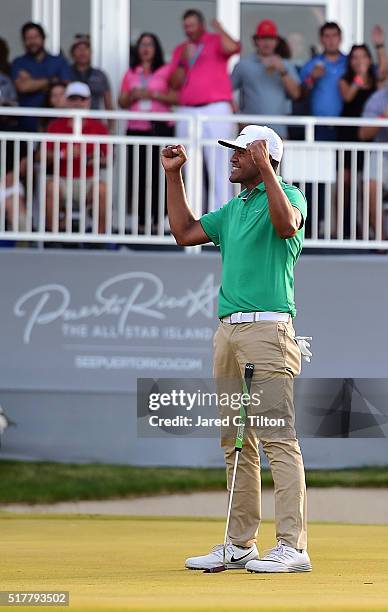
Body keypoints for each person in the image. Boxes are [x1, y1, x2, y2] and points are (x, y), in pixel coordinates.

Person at [161, 124, 311, 574]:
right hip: (228, 332)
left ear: (264, 154)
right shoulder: (235, 208)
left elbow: (287, 226)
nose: (232, 158)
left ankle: (292, 546)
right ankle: (240, 542)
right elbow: (185, 232)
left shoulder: (289, 195)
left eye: (240, 152)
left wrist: (266, 167)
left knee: (278, 440)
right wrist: (174, 176)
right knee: (235, 441)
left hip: (268, 330)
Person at [169, 9, 240, 210]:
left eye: (192, 25)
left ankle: (222, 215)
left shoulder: (215, 40)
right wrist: (184, 60)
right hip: (187, 111)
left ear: (201, 25)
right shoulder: (181, 49)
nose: (188, 30)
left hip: (216, 109)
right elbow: (174, 84)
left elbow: (233, 47)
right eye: (186, 26)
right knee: (186, 164)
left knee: (219, 163)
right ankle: (192, 215)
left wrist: (219, 28)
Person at [118, 32, 177, 232]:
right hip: (137, 129)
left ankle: (161, 219)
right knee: (138, 175)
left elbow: (177, 97)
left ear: (156, 48)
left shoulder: (166, 70)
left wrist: (153, 94)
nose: (145, 48)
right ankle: (141, 220)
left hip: (160, 127)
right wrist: (133, 96)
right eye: (142, 44)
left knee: (161, 174)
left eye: (150, 44)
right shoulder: (131, 72)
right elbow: (121, 102)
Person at [337, 33, 386, 237]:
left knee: (366, 184)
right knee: (351, 184)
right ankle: (351, 228)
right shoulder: (346, 79)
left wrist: (379, 46)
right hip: (353, 135)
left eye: (363, 57)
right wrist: (360, 78)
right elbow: (348, 96)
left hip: (373, 140)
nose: (359, 61)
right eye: (355, 57)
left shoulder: (377, 81)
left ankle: (368, 227)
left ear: (369, 59)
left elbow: (383, 70)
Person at [45, 82, 108, 233]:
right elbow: (43, 155)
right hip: (62, 179)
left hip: (88, 181)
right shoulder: (55, 126)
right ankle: (52, 236)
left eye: (82, 99)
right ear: (66, 101)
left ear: (89, 102)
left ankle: (99, 238)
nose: (77, 103)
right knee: (51, 187)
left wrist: (94, 159)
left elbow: (108, 159)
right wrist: (63, 155)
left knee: (102, 189)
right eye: (73, 99)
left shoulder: (100, 127)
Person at [231, 20, 300, 139]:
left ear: (277, 41)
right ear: (256, 41)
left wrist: (283, 71)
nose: (267, 43)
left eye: (271, 38)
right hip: (250, 133)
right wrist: (238, 117)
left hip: (278, 132)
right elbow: (225, 93)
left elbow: (296, 94)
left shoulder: (286, 65)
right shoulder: (243, 65)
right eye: (263, 38)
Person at [300, 22, 347, 140]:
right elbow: (300, 94)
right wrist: (312, 78)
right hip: (319, 125)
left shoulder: (350, 62)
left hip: (347, 123)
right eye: (327, 36)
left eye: (334, 35)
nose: (331, 40)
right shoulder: (311, 65)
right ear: (321, 39)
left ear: (340, 38)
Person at [359, 84, 388, 239]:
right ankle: (380, 239)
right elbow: (363, 133)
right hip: (382, 153)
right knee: (370, 184)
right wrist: (383, 117)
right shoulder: (378, 98)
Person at [68, 34, 114, 129]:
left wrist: (110, 128)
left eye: (85, 49)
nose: (82, 52)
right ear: (72, 53)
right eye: (78, 49)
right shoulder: (65, 73)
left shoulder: (100, 75)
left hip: (94, 124)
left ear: (91, 52)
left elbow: (108, 104)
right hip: (69, 124)